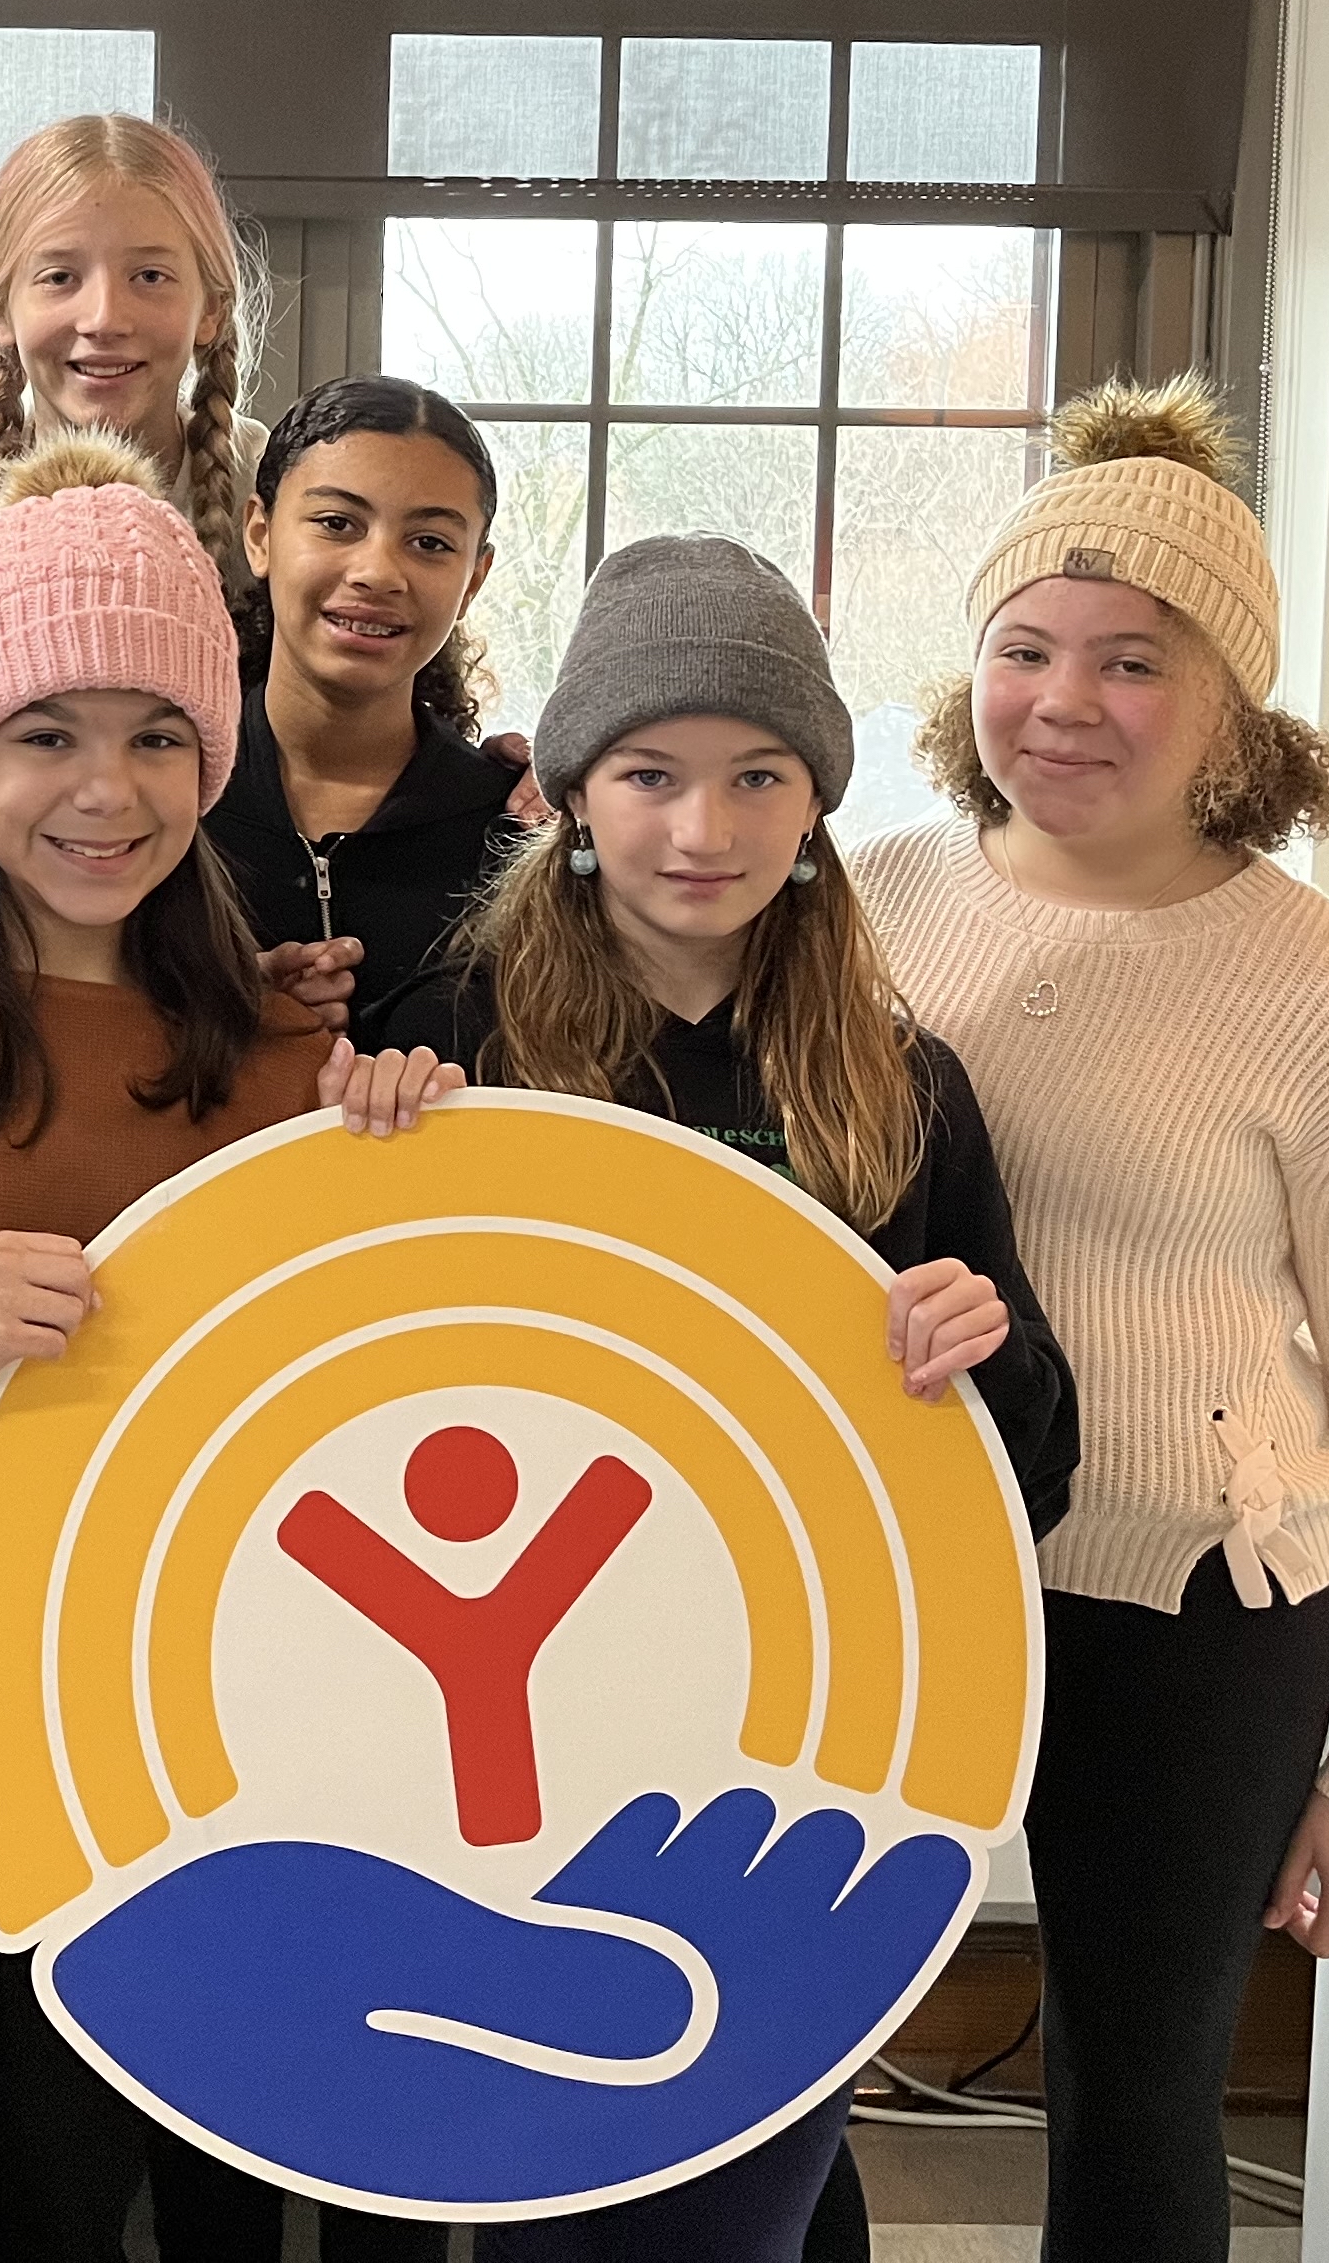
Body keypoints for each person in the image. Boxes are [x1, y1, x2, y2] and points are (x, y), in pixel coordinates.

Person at [0, 432, 457, 2263]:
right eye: (47, 732)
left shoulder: (296, 1076)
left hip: (146, 1784)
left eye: (154, 735)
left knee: (71, 2217)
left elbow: (373, 1440)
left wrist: (412, 1143)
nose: (104, 790)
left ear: (211, 764)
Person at [372, 531, 1077, 2261]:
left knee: (741, 2169)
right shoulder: (453, 1040)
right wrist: (355, 1147)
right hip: (494, 1754)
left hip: (793, 1730)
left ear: (816, 796)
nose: (703, 828)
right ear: (569, 792)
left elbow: (1029, 1473)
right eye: (650, 772)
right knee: (544, 2175)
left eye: (758, 773)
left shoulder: (899, 1078)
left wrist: (978, 1344)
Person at [855, 378, 1329, 2263]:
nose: (1063, 698)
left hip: (1190, 1604)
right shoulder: (863, 905)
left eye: (1133, 660)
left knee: (1135, 2099)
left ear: (1235, 709)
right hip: (902, 1559)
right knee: (789, 2036)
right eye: (1023, 645)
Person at [207, 372, 526, 1049]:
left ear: (474, 578)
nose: (378, 572)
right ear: (260, 535)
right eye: (336, 524)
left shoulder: (516, 835)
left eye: (431, 542)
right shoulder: (165, 804)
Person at [0, 114, 265, 593]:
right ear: (1, 314)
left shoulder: (272, 490)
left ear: (212, 310)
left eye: (150, 276)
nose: (104, 319)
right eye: (59, 277)